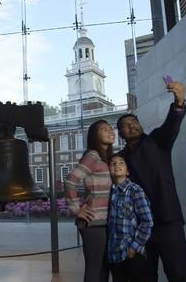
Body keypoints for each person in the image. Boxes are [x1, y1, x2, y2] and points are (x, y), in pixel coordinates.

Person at [116, 80, 186, 282]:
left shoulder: (158, 140)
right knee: (144, 277)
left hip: (167, 220)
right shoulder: (119, 159)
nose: (131, 126)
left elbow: (171, 125)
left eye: (134, 122)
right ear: (120, 134)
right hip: (139, 228)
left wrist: (179, 101)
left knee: (179, 274)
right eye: (125, 125)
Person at [65, 119, 115, 282]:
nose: (110, 131)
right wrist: (76, 209)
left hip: (104, 222)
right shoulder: (93, 156)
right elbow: (71, 180)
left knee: (103, 268)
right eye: (104, 129)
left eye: (110, 129)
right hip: (93, 222)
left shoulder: (105, 158)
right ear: (95, 135)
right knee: (95, 269)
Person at [107, 154, 153, 282]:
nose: (116, 165)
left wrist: (135, 246)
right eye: (113, 163)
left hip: (132, 253)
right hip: (115, 255)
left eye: (121, 162)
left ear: (128, 171)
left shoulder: (135, 190)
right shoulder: (110, 193)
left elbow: (147, 221)